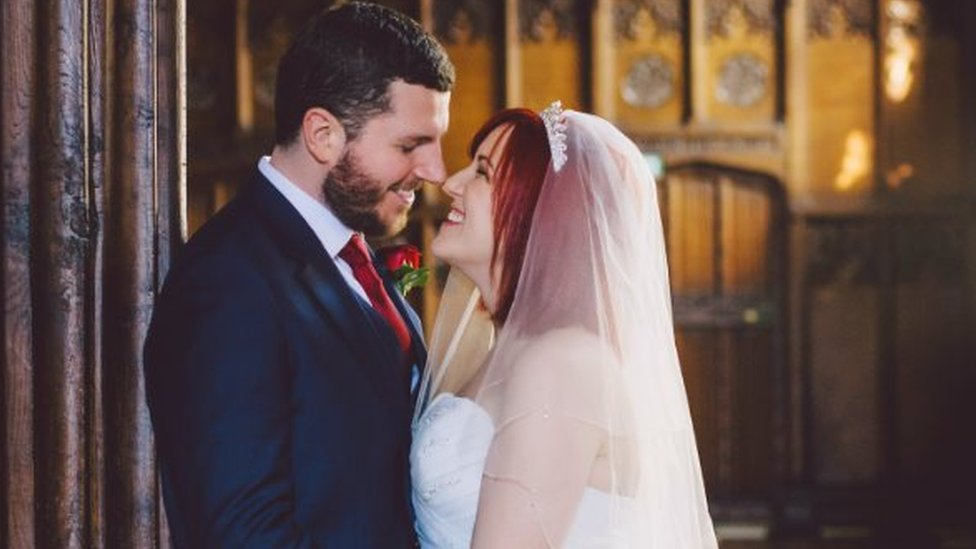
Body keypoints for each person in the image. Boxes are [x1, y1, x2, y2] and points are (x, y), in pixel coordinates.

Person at [143, 3, 453, 547]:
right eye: (410, 145)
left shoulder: (354, 256)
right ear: (323, 135)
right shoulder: (228, 281)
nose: (435, 171)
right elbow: (247, 533)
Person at [411, 102, 719, 548]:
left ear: (542, 213)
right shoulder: (510, 345)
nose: (451, 184)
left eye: (481, 173)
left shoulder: (562, 361)